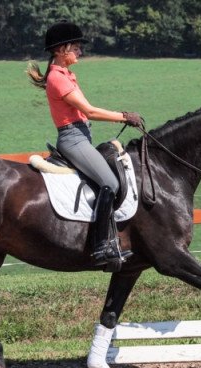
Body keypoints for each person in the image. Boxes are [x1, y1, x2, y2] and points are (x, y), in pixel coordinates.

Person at [28, 20, 143, 267]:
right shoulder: (58, 79)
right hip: (73, 139)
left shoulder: (67, 74)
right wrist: (124, 116)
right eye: (76, 47)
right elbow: (89, 111)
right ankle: (102, 247)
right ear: (60, 50)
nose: (80, 51)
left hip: (81, 136)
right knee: (110, 183)